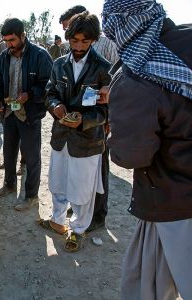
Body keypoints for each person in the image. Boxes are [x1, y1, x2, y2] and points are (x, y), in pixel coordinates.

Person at [102, 0, 192, 298]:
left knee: (147, 285)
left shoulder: (136, 77)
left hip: (174, 201)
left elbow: (130, 156)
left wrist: (115, 128)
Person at [40, 12, 111, 252]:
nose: (79, 46)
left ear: (93, 40)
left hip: (88, 141)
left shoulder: (103, 69)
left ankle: (78, 229)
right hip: (61, 136)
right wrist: (55, 107)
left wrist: (83, 119)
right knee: (57, 182)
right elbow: (50, 93)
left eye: (85, 41)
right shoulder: (59, 64)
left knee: (82, 189)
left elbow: (106, 111)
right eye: (74, 41)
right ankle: (57, 220)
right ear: (68, 38)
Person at [60, 4, 120, 232]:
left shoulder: (108, 46)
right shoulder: (73, 51)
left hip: (99, 122)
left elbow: (116, 83)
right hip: (80, 121)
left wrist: (107, 120)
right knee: (78, 170)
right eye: (71, 37)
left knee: (98, 172)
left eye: (80, 39)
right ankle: (80, 206)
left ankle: (97, 215)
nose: (74, 44)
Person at [0, 18, 53, 211]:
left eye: (12, 40)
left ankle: (31, 196)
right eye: (6, 40)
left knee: (32, 157)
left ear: (23, 36)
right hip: (9, 114)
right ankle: (9, 185)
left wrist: (30, 94)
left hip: (30, 114)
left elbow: (49, 86)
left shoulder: (40, 56)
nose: (9, 44)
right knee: (9, 153)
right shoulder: (4, 56)